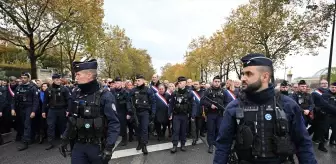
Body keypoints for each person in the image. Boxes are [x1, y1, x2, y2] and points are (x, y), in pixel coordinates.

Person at [213, 53, 317, 164]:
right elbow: (223, 145)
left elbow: (303, 144)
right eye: (243, 74)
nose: (243, 78)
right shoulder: (233, 107)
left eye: (248, 74)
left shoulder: (288, 105)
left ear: (265, 77)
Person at [60, 59, 120, 164]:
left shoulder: (105, 95)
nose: (76, 77)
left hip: (97, 147)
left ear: (89, 75)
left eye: (78, 74)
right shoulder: (77, 93)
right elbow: (73, 119)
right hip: (79, 145)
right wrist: (65, 138)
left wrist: (109, 147)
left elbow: (113, 123)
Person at [127, 74, 156, 155]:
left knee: (144, 129)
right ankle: (139, 143)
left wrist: (153, 113)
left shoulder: (148, 90)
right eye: (136, 80)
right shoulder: (133, 90)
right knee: (137, 129)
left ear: (143, 81)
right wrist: (129, 110)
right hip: (135, 112)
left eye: (139, 80)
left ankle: (144, 145)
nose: (137, 82)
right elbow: (128, 101)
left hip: (145, 112)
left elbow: (153, 102)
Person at [42, 74, 71, 150]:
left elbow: (69, 100)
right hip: (52, 110)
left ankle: (64, 141)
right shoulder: (48, 90)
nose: (58, 81)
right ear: (53, 80)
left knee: (62, 126)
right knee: (50, 126)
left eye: (59, 79)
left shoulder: (64, 89)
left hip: (62, 109)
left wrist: (68, 110)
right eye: (56, 80)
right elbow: (45, 102)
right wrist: (43, 111)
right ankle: (51, 142)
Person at [11, 72, 39, 151]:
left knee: (27, 124)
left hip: (29, 108)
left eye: (25, 78)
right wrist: (12, 109)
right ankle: (30, 137)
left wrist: (33, 111)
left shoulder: (33, 87)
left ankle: (25, 142)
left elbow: (36, 101)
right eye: (22, 78)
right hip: (21, 108)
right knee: (24, 124)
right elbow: (14, 99)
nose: (23, 79)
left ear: (28, 78)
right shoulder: (18, 87)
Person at [168, 76, 196, 153]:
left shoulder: (190, 93)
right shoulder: (174, 93)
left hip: (184, 115)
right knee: (176, 130)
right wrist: (169, 113)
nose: (179, 84)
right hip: (176, 115)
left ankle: (183, 144)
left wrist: (193, 115)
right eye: (178, 83)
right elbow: (171, 104)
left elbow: (193, 104)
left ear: (185, 83)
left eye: (180, 83)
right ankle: (174, 145)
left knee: (183, 130)